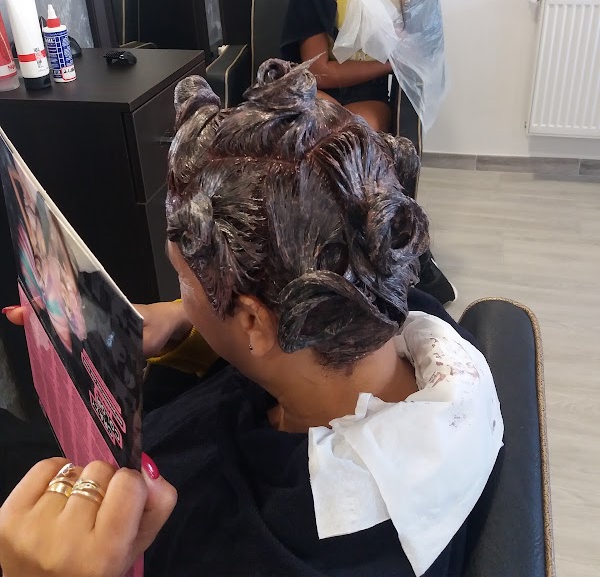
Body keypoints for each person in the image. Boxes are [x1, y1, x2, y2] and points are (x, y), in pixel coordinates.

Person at [0, 60, 503, 577]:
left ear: (254, 323)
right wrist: (179, 319)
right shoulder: (409, 320)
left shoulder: (252, 547)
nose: (180, 296)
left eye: (182, 279)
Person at [283, 0, 454, 305]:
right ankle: (332, 255)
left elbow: (424, 54)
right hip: (320, 90)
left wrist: (393, 67)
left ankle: (398, 249)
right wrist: (390, 63)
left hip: (370, 97)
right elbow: (318, 71)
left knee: (355, 139)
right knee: (326, 137)